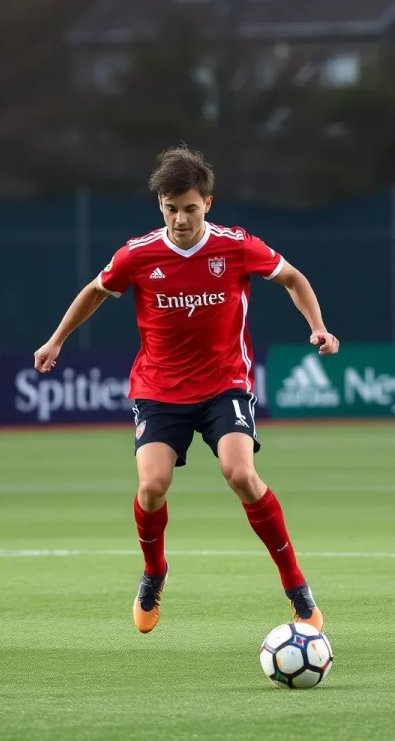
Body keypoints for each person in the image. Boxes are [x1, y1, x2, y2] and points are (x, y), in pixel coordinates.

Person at [34, 147, 339, 634]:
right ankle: (154, 572)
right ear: (160, 204)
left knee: (240, 473)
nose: (180, 219)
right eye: (171, 207)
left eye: (190, 208)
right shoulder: (137, 254)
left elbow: (293, 279)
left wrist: (318, 327)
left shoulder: (235, 246)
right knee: (151, 487)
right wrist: (56, 340)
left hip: (224, 382)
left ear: (208, 204)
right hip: (159, 386)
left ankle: (296, 588)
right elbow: (94, 291)